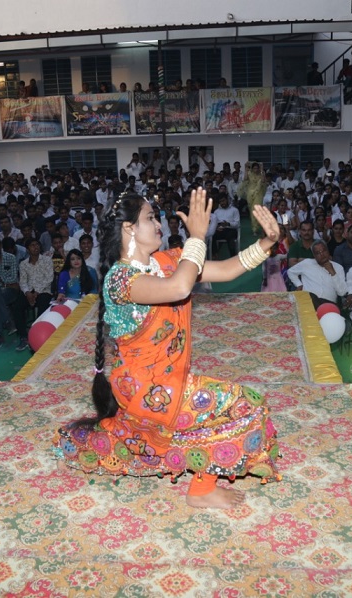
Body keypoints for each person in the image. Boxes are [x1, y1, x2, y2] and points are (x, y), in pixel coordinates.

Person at [53, 189, 281, 509]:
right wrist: (196, 237)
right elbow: (179, 287)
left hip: (167, 380)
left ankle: (115, 436)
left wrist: (267, 243)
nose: (159, 224)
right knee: (244, 404)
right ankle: (201, 490)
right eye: (150, 218)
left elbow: (226, 270)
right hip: (144, 388)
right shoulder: (120, 280)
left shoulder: (166, 262)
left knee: (216, 411)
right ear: (129, 228)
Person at [0, 236, 29, 351]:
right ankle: (7, 320)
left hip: (11, 292)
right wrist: (5, 283)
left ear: (0, 246)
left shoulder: (10, 258)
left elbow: (13, 278)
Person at [286, 240, 347, 309]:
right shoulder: (307, 263)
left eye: (324, 251)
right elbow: (290, 272)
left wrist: (333, 273)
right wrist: (299, 284)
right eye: (318, 253)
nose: (322, 254)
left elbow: (342, 293)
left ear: (328, 251)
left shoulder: (338, 267)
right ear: (314, 255)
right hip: (309, 302)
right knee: (310, 297)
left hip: (328, 305)